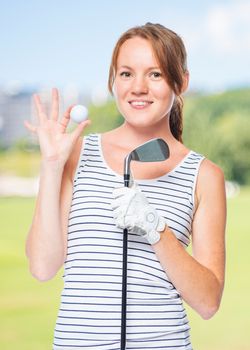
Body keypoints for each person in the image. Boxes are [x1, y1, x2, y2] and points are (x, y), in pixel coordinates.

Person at [25, 23, 226, 350]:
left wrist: (154, 226)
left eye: (156, 74)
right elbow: (42, 267)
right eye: (127, 74)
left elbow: (207, 302)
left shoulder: (204, 175)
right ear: (112, 81)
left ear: (182, 81)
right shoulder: (77, 155)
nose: (139, 87)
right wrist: (51, 167)